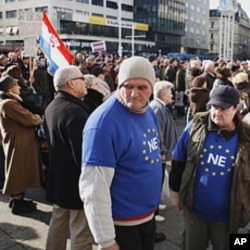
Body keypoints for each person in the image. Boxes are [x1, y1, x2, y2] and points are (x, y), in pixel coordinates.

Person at [79, 56, 162, 250]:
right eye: (128, 86)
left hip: (147, 217)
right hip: (122, 225)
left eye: (142, 87)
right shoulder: (103, 124)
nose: (134, 94)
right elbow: (93, 189)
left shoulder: (148, 111)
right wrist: (106, 240)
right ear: (118, 84)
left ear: (152, 86)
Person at [169, 85, 250, 250]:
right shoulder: (195, 127)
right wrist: (175, 193)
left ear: (236, 108)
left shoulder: (246, 139)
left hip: (227, 216)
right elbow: (178, 161)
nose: (217, 113)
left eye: (223, 109)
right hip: (194, 211)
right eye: (214, 107)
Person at [45, 65, 93, 250]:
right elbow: (82, 155)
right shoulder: (75, 112)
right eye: (82, 78)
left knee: (57, 224)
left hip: (58, 180)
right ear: (71, 83)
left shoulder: (53, 106)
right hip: (75, 183)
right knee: (81, 231)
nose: (86, 82)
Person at [0, 75, 43, 214]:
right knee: (17, 171)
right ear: (9, 88)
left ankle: (19, 199)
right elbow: (28, 118)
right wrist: (37, 118)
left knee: (21, 170)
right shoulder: (8, 104)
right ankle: (17, 201)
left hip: (19, 139)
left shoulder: (10, 102)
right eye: (16, 85)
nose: (19, 87)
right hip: (18, 141)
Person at [150, 80, 177, 224]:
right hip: (160, 154)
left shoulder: (160, 107)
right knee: (156, 182)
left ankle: (155, 205)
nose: (172, 95)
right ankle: (153, 212)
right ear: (162, 94)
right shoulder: (157, 108)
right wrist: (162, 150)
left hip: (163, 152)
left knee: (158, 182)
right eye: (170, 92)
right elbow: (157, 132)